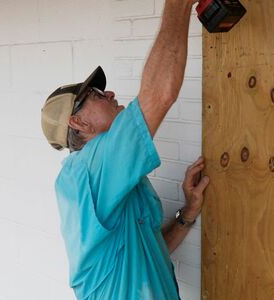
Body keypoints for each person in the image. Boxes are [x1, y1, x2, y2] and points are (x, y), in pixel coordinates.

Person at [40, 0, 207, 298]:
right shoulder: (88, 170)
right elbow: (160, 94)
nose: (111, 93)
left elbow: (149, 254)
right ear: (78, 123)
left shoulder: (114, 177)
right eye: (96, 94)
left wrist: (187, 214)